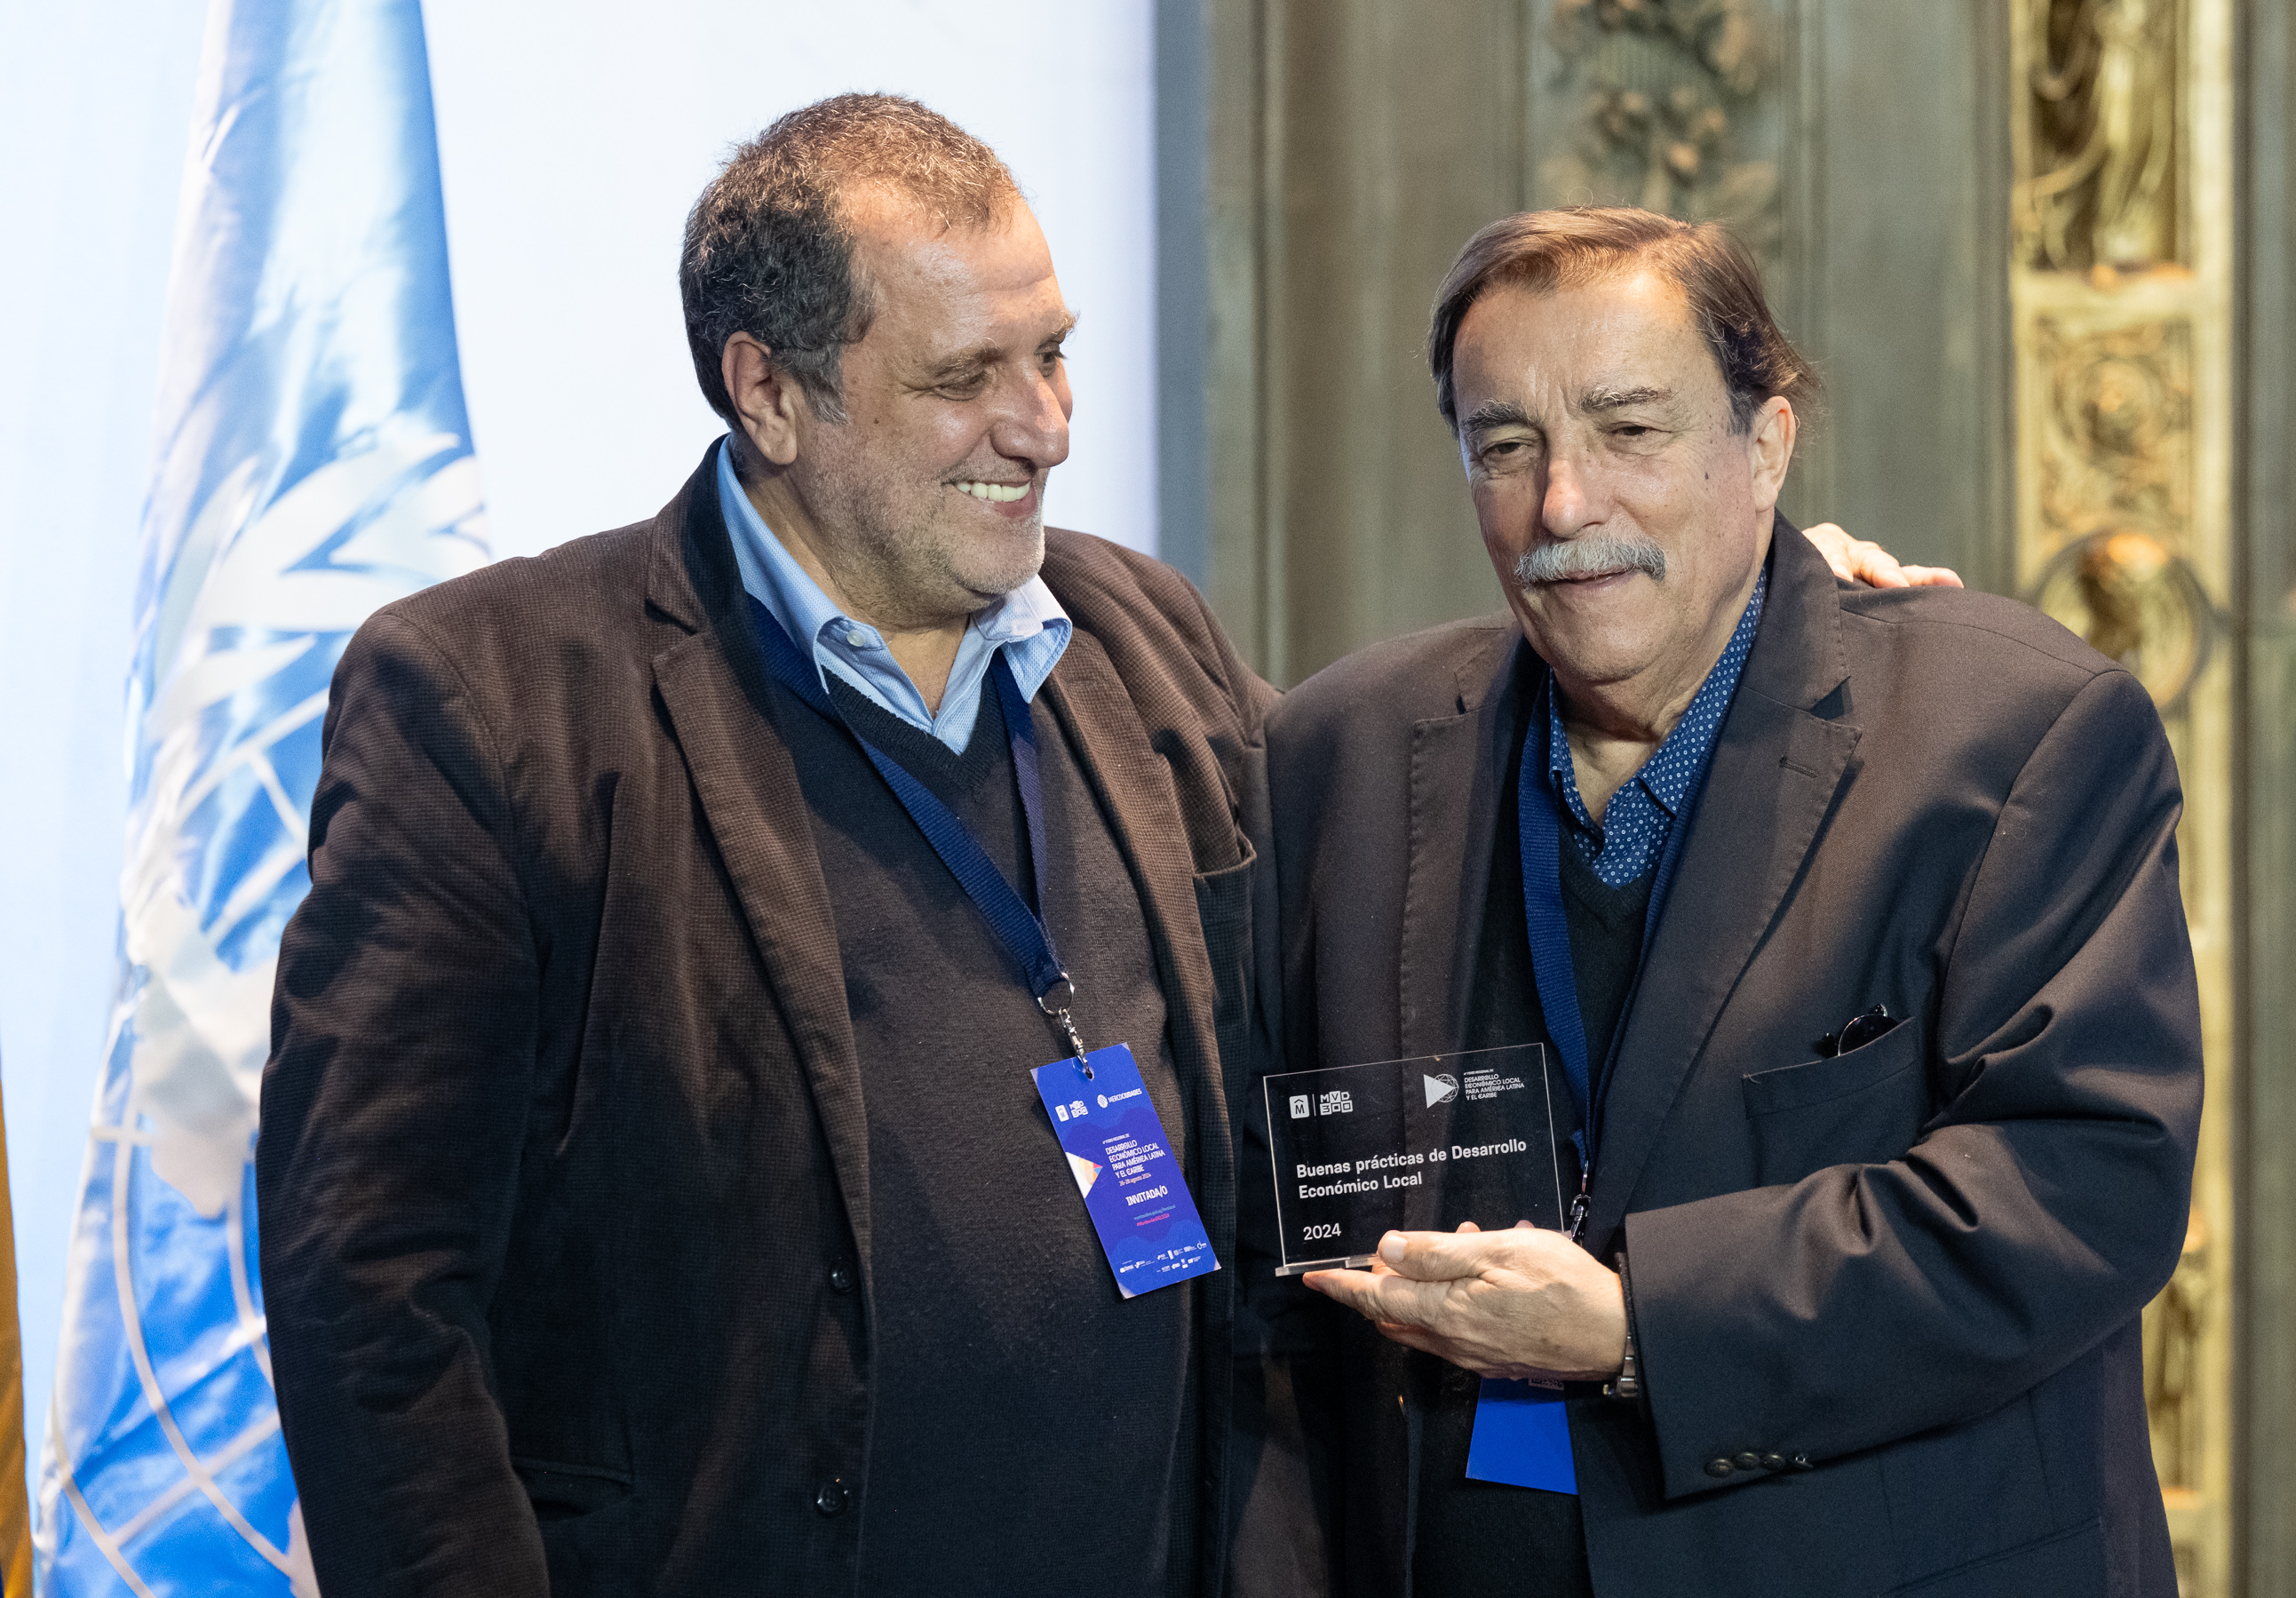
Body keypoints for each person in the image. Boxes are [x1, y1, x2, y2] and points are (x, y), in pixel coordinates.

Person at [256, 93, 1935, 1596]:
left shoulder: (1140, 637)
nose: (1044, 424)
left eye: (1051, 354)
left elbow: (1447, 814)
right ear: (768, 392)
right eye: (963, 380)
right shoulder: (495, 703)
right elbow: (370, 1291)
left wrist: (1747, 618)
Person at [1259, 207, 2201, 1596]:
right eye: (1505, 446)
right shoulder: (1336, 753)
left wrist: (1639, 1324)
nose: (1563, 505)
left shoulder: (2015, 734)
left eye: (1629, 431)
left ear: (1764, 448)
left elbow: (2085, 1181)